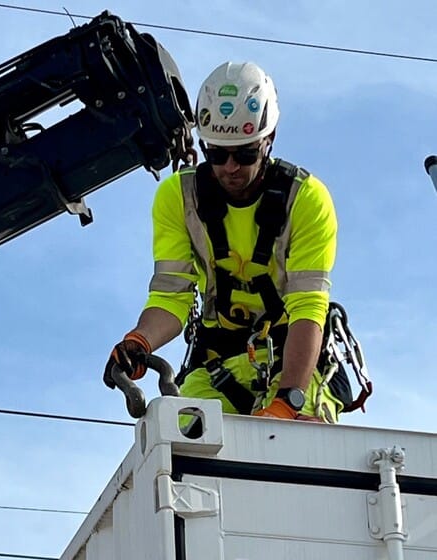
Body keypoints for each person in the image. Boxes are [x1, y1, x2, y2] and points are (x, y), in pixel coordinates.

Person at [103, 61, 346, 422]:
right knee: (182, 435)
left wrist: (287, 401)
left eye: (245, 153)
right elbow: (171, 296)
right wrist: (140, 341)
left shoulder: (306, 199)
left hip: (292, 354)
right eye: (217, 153)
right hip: (218, 360)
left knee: (290, 442)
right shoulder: (180, 198)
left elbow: (308, 308)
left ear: (269, 141)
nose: (231, 166)